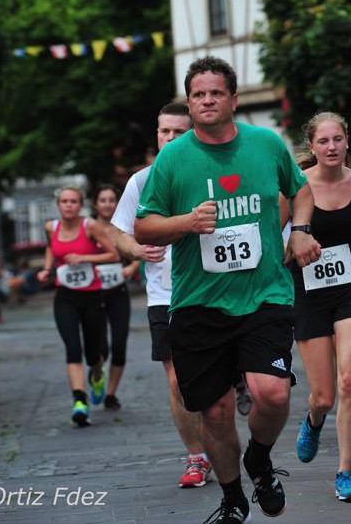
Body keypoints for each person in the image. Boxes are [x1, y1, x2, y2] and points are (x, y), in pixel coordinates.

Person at [134, 56, 320, 524]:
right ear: (190, 102)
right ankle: (234, 495)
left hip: (264, 295)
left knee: (273, 394)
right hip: (199, 303)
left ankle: (258, 459)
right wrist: (186, 222)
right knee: (215, 412)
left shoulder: (265, 144)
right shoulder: (173, 159)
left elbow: (300, 190)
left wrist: (299, 230)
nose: (207, 100)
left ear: (233, 100)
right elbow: (144, 227)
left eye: (216, 92)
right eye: (199, 94)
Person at [283, 113, 351, 503]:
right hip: (307, 294)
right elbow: (275, 246)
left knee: (349, 380)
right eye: (323, 141)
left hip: (349, 289)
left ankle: (345, 471)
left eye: (337, 139)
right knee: (324, 395)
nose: (331, 147)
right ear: (312, 147)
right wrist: (293, 246)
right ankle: (313, 419)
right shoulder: (295, 187)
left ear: (346, 141)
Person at [112, 102, 214, 489]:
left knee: (214, 380)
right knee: (176, 381)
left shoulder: (210, 175)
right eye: (163, 131)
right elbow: (119, 231)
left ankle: (222, 439)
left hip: (214, 289)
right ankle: (196, 456)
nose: (170, 138)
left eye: (178, 132)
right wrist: (135, 249)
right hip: (164, 294)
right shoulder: (141, 181)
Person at [36, 185, 119, 427]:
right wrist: (47, 269)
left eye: (73, 201)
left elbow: (113, 255)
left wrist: (85, 258)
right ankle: (79, 401)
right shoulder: (51, 227)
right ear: (59, 205)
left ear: (80, 205)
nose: (69, 205)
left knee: (93, 353)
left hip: (92, 297)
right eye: (64, 201)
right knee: (72, 348)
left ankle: (96, 376)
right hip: (65, 297)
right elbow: (51, 248)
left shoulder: (90, 226)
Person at [91, 184, 139, 412]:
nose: (108, 204)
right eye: (103, 200)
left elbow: (141, 249)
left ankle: (110, 394)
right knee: (101, 349)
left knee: (119, 345)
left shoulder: (124, 226)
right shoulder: (89, 228)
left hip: (118, 292)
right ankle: (97, 373)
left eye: (111, 200)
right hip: (93, 293)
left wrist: (132, 268)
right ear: (95, 204)